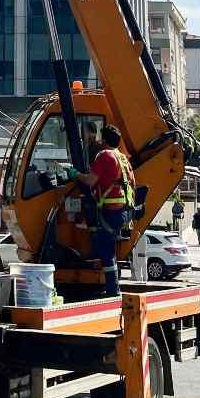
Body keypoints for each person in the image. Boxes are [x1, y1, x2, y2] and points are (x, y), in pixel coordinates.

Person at [65, 123, 135, 298]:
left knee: (105, 251)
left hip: (111, 211)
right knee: (106, 247)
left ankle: (113, 291)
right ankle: (112, 286)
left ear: (103, 140)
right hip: (125, 212)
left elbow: (90, 180)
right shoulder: (123, 158)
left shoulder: (104, 156)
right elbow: (132, 183)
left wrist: (75, 174)